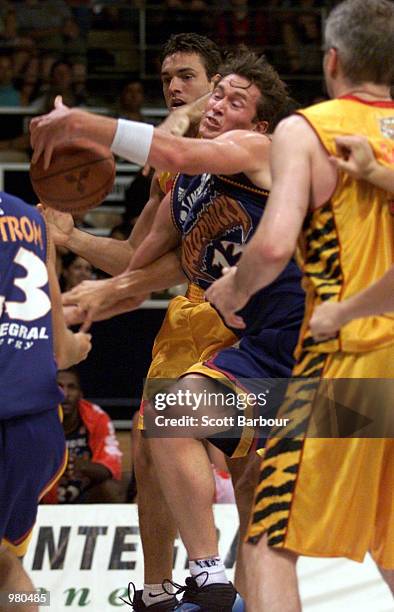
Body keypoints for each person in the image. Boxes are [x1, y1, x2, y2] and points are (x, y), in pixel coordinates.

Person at [30, 47, 305, 609]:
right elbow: (138, 270)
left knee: (318, 503)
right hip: (257, 341)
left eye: (230, 99)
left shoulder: (256, 147)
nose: (214, 104)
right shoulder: (182, 187)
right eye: (217, 95)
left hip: (312, 336)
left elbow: (177, 144)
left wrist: (85, 123)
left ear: (258, 121)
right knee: (164, 421)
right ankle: (201, 575)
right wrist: (84, 294)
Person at [205, 1, 394, 609]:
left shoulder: (305, 128)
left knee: (267, 535)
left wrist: (232, 289)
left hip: (352, 362)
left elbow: (276, 242)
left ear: (332, 60)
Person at [32, 33, 226, 611]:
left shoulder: (242, 137)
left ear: (219, 86)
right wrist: (73, 239)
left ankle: (223, 569)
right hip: (197, 308)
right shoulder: (172, 174)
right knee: (150, 432)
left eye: (186, 76)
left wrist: (110, 292)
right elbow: (141, 258)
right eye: (167, 77)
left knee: (269, 439)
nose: (173, 87)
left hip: (254, 311)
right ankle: (160, 586)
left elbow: (152, 270)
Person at [0, 191, 91, 611]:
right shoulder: (28, 218)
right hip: (36, 427)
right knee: (5, 565)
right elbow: (64, 351)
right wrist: (74, 343)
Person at [42, 368, 123, 504]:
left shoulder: (97, 417)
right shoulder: (35, 420)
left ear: (80, 394)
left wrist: (79, 465)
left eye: (71, 387)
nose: (65, 394)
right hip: (43, 495)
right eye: (59, 386)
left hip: (85, 494)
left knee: (113, 487)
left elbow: (110, 468)